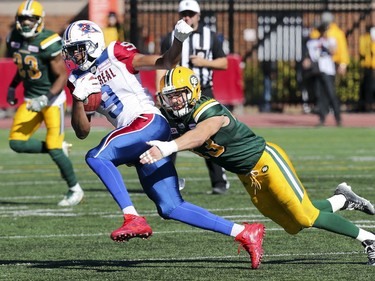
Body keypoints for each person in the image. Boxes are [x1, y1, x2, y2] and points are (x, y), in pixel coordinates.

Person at [61, 19, 265, 269]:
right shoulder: (77, 78)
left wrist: (178, 40)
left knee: (97, 156)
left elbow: (166, 63)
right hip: (134, 136)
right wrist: (78, 100)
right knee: (170, 207)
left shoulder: (114, 53)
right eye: (71, 50)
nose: (74, 55)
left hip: (148, 122)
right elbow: (82, 131)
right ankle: (244, 232)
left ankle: (131, 216)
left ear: (93, 44)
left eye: (78, 48)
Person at [140, 66, 375, 266]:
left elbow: (200, 135)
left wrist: (167, 148)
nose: (174, 101)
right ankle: (343, 199)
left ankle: (368, 238)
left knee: (306, 217)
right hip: (247, 176)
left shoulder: (208, 109)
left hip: (265, 161)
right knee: (293, 224)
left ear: (192, 91)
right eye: (169, 97)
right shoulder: (172, 118)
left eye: (178, 95)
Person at [6, 0, 83, 206]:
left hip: (52, 99)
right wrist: (13, 86)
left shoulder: (47, 40)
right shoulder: (13, 38)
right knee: (16, 142)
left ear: (39, 21)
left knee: (54, 145)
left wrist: (45, 99)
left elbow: (61, 75)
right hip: (31, 99)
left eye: (31, 19)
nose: (27, 23)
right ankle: (56, 148)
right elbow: (23, 67)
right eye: (23, 19)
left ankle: (75, 189)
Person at [156, 0, 229, 195]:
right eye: (183, 14)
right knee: (169, 133)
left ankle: (219, 182)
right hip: (175, 95)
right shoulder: (170, 37)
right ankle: (165, 180)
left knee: (210, 137)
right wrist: (159, 91)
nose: (186, 17)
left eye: (190, 13)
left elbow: (224, 63)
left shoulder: (210, 37)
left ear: (198, 15)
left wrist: (204, 62)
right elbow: (162, 65)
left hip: (203, 92)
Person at [304, 23, 342, 126]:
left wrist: (326, 43)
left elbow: (334, 51)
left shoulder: (329, 41)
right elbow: (309, 56)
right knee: (320, 95)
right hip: (317, 71)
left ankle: (338, 118)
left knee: (331, 93)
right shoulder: (313, 42)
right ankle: (322, 118)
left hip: (328, 70)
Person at [358, 24, 375, 112]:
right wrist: (370, 42)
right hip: (367, 66)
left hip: (373, 66)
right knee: (368, 87)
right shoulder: (363, 39)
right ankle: (367, 106)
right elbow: (362, 51)